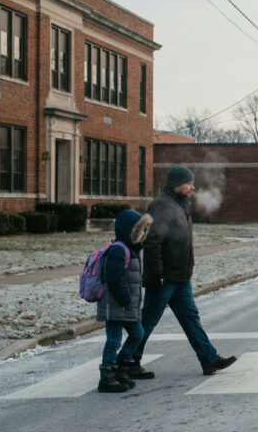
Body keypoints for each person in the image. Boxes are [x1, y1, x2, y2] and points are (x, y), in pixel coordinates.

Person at [121, 165, 237, 377]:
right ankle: (127, 361)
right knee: (147, 321)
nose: (193, 186)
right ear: (177, 184)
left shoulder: (180, 204)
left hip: (180, 277)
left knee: (191, 319)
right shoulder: (162, 205)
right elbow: (153, 243)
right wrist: (156, 276)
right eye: (189, 182)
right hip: (165, 278)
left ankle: (209, 359)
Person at [97, 209, 153, 393]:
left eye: (144, 229)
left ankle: (121, 368)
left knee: (137, 334)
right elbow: (114, 278)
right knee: (114, 339)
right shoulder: (118, 250)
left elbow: (132, 277)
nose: (143, 233)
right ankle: (107, 375)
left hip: (127, 306)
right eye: (140, 230)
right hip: (116, 305)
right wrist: (125, 298)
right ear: (130, 231)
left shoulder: (132, 250)